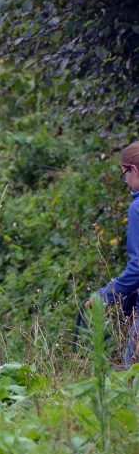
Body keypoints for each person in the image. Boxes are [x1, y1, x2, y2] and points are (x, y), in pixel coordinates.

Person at [91, 141, 139, 368]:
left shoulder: (137, 208)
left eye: (124, 175)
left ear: (134, 170)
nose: (126, 182)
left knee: (131, 374)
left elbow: (137, 268)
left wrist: (103, 296)